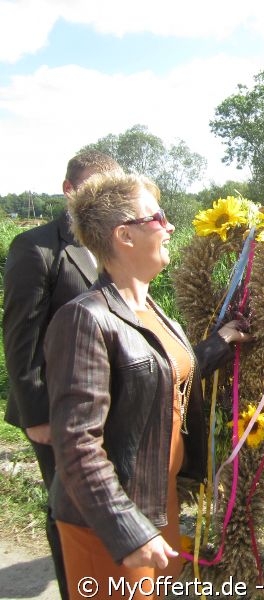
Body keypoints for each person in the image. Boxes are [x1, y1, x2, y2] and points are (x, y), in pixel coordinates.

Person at [43, 172, 250, 598]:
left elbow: (161, 372)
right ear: (124, 235)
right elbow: (77, 443)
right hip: (107, 519)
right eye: (157, 217)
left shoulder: (153, 311)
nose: (170, 225)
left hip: (157, 503)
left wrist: (221, 343)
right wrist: (126, 529)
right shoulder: (85, 318)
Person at [3, 150, 123, 599]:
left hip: (107, 404)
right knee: (69, 508)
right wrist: (37, 417)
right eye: (92, 189)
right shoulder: (36, 248)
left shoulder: (118, 243)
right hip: (54, 411)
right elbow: (20, 341)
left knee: (106, 506)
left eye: (110, 190)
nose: (102, 199)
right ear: (69, 190)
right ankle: (77, 586)